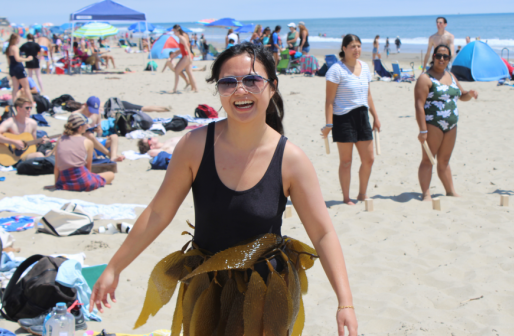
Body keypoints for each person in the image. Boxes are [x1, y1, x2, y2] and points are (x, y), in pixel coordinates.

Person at [89, 42, 358, 336]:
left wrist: (345, 303)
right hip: (206, 287)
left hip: (266, 291)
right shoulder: (194, 146)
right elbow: (158, 212)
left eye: (252, 80)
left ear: (272, 87)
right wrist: (114, 267)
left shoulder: (291, 160)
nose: (240, 91)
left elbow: (322, 232)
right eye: (228, 83)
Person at [323, 34, 382, 205]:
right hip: (343, 118)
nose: (356, 49)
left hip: (362, 116)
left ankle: (362, 194)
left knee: (369, 159)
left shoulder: (364, 67)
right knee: (346, 161)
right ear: (344, 48)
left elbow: (368, 95)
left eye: (358, 46)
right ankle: (346, 197)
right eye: (352, 46)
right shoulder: (336, 70)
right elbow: (329, 101)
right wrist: (329, 124)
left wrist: (375, 117)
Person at [414, 44, 478, 201]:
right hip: (433, 123)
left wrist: (469, 94)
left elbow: (461, 95)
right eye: (439, 56)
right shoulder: (425, 78)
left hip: (452, 124)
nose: (442, 59)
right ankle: (426, 193)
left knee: (444, 161)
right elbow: (419, 105)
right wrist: (423, 130)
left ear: (449, 59)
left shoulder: (451, 75)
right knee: (428, 160)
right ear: (433, 57)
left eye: (446, 57)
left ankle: (450, 191)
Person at [51, 113, 114, 192]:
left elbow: (57, 166)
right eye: (85, 125)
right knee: (111, 175)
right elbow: (88, 167)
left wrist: (56, 184)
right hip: (83, 182)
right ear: (80, 127)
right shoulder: (87, 142)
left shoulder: (60, 140)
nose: (87, 126)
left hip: (63, 182)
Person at [0, 97, 49, 163]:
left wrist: (41, 142)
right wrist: (14, 142)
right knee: (39, 155)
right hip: (12, 156)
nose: (29, 110)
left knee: (51, 153)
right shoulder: (10, 122)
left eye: (31, 108)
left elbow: (33, 144)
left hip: (26, 152)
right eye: (27, 108)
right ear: (18, 108)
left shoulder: (33, 123)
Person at [73, 96, 125, 162]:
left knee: (114, 137)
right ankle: (110, 155)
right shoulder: (75, 115)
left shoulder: (96, 113)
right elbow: (72, 135)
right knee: (88, 135)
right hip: (83, 144)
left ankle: (113, 156)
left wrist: (98, 131)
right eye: (90, 110)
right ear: (85, 105)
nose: (91, 113)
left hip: (96, 144)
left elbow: (99, 133)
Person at [5, 34, 34, 106]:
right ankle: (32, 103)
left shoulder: (9, 48)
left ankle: (14, 103)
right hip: (18, 67)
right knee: (26, 87)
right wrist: (28, 59)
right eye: (18, 39)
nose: (19, 40)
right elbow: (17, 59)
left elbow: (9, 61)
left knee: (15, 88)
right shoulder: (15, 48)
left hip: (12, 67)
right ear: (15, 39)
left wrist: (10, 70)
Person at [167, 25, 198, 93]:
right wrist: (174, 56)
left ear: (177, 31)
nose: (173, 33)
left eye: (174, 31)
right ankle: (195, 89)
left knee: (177, 70)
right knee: (189, 72)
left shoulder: (181, 38)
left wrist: (190, 57)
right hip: (186, 56)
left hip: (186, 56)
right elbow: (182, 50)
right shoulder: (180, 37)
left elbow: (187, 47)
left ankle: (175, 89)